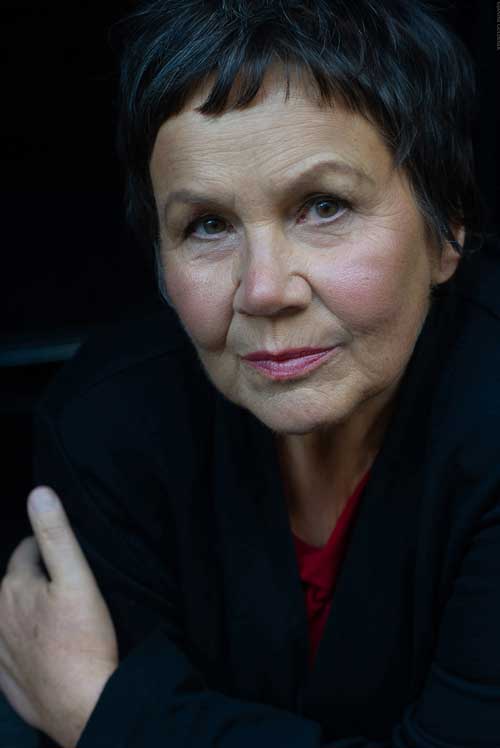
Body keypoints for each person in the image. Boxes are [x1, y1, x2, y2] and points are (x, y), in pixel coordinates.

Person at [0, 0, 499, 746]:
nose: (263, 290)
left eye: (323, 206)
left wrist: (102, 716)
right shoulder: (107, 429)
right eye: (207, 225)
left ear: (447, 228)